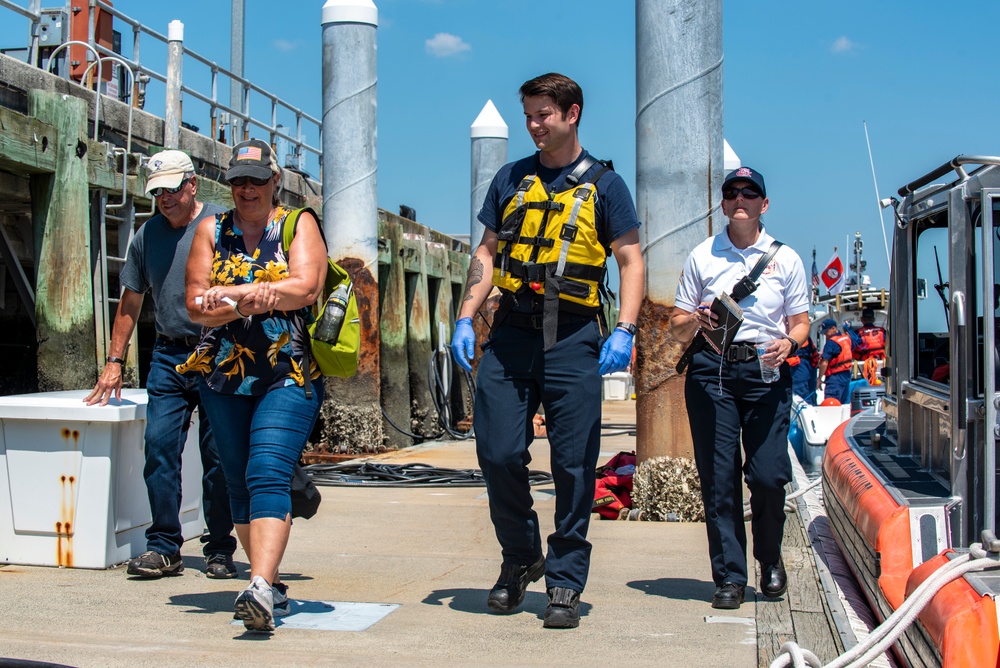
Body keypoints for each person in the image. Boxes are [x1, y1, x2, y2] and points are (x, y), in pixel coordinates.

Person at [450, 73, 644, 629]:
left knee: (574, 464)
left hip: (575, 336)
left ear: (572, 113)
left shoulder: (606, 187)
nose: (535, 126)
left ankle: (564, 580)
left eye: (544, 115)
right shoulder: (510, 178)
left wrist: (624, 330)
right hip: (510, 332)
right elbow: (486, 252)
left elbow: (630, 261)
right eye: (530, 116)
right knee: (498, 452)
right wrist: (466, 316)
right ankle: (520, 555)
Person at [179, 138, 328, 632]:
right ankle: (270, 585)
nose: (247, 189)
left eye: (256, 180)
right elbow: (195, 303)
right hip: (224, 375)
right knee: (237, 480)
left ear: (274, 181)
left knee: (267, 468)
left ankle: (259, 584)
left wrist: (234, 295)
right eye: (238, 181)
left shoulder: (296, 224)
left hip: (288, 371)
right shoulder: (209, 230)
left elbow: (305, 287)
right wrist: (254, 300)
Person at [84, 150, 237, 580]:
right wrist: (114, 361)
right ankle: (164, 546)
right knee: (159, 448)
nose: (165, 199)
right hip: (169, 356)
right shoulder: (145, 236)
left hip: (219, 352)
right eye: (157, 192)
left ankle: (220, 548)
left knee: (218, 457)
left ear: (192, 185)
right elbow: (130, 304)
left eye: (172, 189)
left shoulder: (223, 227)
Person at [671, 166, 810, 610]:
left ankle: (769, 559)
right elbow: (675, 325)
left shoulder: (784, 259)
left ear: (763, 205)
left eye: (750, 193)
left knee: (768, 476)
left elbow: (802, 324)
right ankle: (729, 575)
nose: (740, 199)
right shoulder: (702, 255)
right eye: (732, 192)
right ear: (724, 203)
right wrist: (696, 318)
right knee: (719, 478)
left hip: (766, 374)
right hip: (712, 372)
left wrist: (789, 343)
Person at [817, 318, 853, 404]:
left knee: (831, 403)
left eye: (826, 331)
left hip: (835, 378)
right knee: (844, 403)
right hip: (846, 375)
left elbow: (824, 363)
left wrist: (819, 378)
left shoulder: (831, 343)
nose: (825, 334)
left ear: (833, 328)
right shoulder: (846, 338)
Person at [787, 334, 819, 404]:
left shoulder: (795, 336)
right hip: (809, 367)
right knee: (810, 393)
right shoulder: (807, 337)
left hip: (799, 368)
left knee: (800, 394)